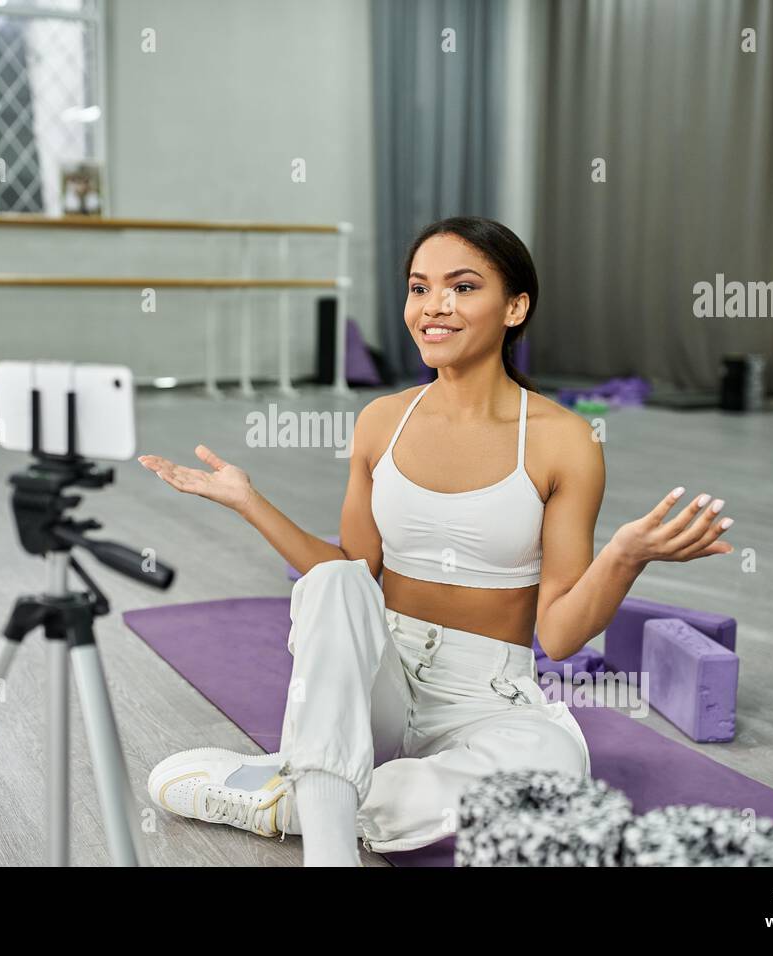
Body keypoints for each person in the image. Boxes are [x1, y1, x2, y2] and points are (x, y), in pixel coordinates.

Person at [138, 216, 735, 866]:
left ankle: (286, 797)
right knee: (334, 583)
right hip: (381, 679)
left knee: (554, 775)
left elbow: (560, 636)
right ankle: (330, 851)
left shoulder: (564, 441)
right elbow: (349, 573)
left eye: (462, 286)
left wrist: (626, 555)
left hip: (487, 696)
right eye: (420, 288)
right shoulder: (380, 421)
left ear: (515, 306)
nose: (434, 307)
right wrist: (249, 502)